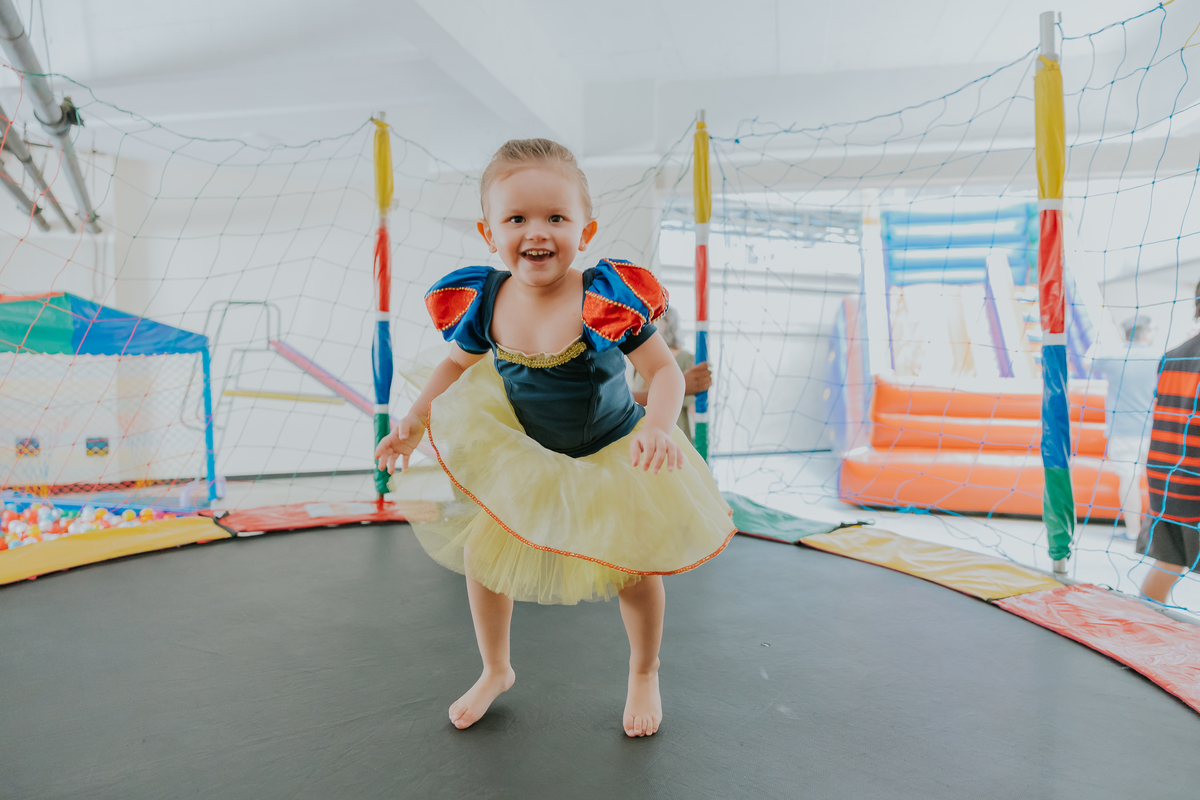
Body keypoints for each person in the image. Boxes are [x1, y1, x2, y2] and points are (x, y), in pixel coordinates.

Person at [375, 138, 735, 738]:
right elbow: (453, 368)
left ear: (584, 230)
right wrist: (412, 419)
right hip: (531, 452)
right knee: (480, 558)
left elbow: (665, 371)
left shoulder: (603, 295)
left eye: (555, 218)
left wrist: (657, 427)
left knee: (634, 569)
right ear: (489, 232)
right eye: (516, 218)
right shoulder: (484, 300)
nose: (536, 231)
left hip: (615, 448)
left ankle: (644, 670)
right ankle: (496, 669)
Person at [1139, 281, 1200, 603]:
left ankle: (1142, 626)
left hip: (1167, 479)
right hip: (1195, 484)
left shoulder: (1172, 357)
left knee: (1168, 562)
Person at [1088, 315, 1159, 539]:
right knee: (1158, 482)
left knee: (1129, 482)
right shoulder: (1157, 358)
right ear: (1145, 333)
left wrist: (1097, 342)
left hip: (1122, 432)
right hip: (1151, 431)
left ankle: (1133, 532)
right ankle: (1161, 533)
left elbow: (1085, 361)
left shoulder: (1115, 356)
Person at [630, 307, 711, 442]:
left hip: (673, 440)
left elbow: (694, 411)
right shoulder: (639, 361)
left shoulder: (685, 358)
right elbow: (631, 401)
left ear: (664, 325)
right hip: (642, 439)